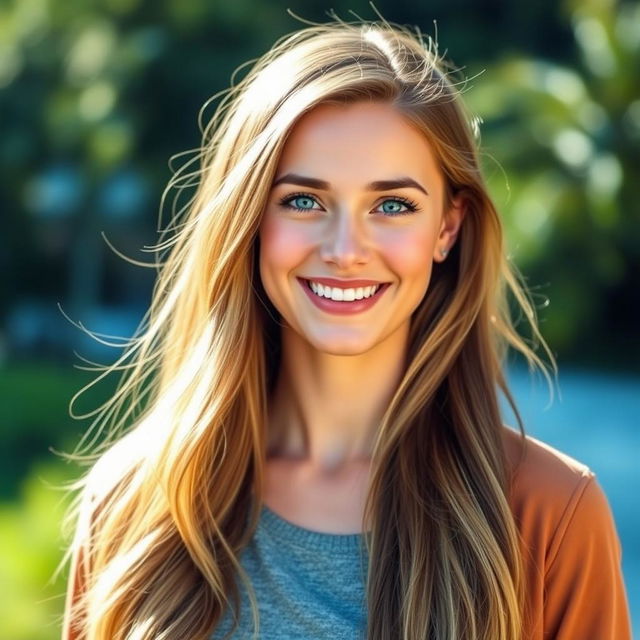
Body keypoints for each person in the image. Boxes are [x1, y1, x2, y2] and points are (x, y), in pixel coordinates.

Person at [61, 17, 632, 640]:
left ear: (447, 228)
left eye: (392, 206)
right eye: (304, 200)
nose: (345, 249)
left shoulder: (548, 514)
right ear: (250, 218)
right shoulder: (134, 501)